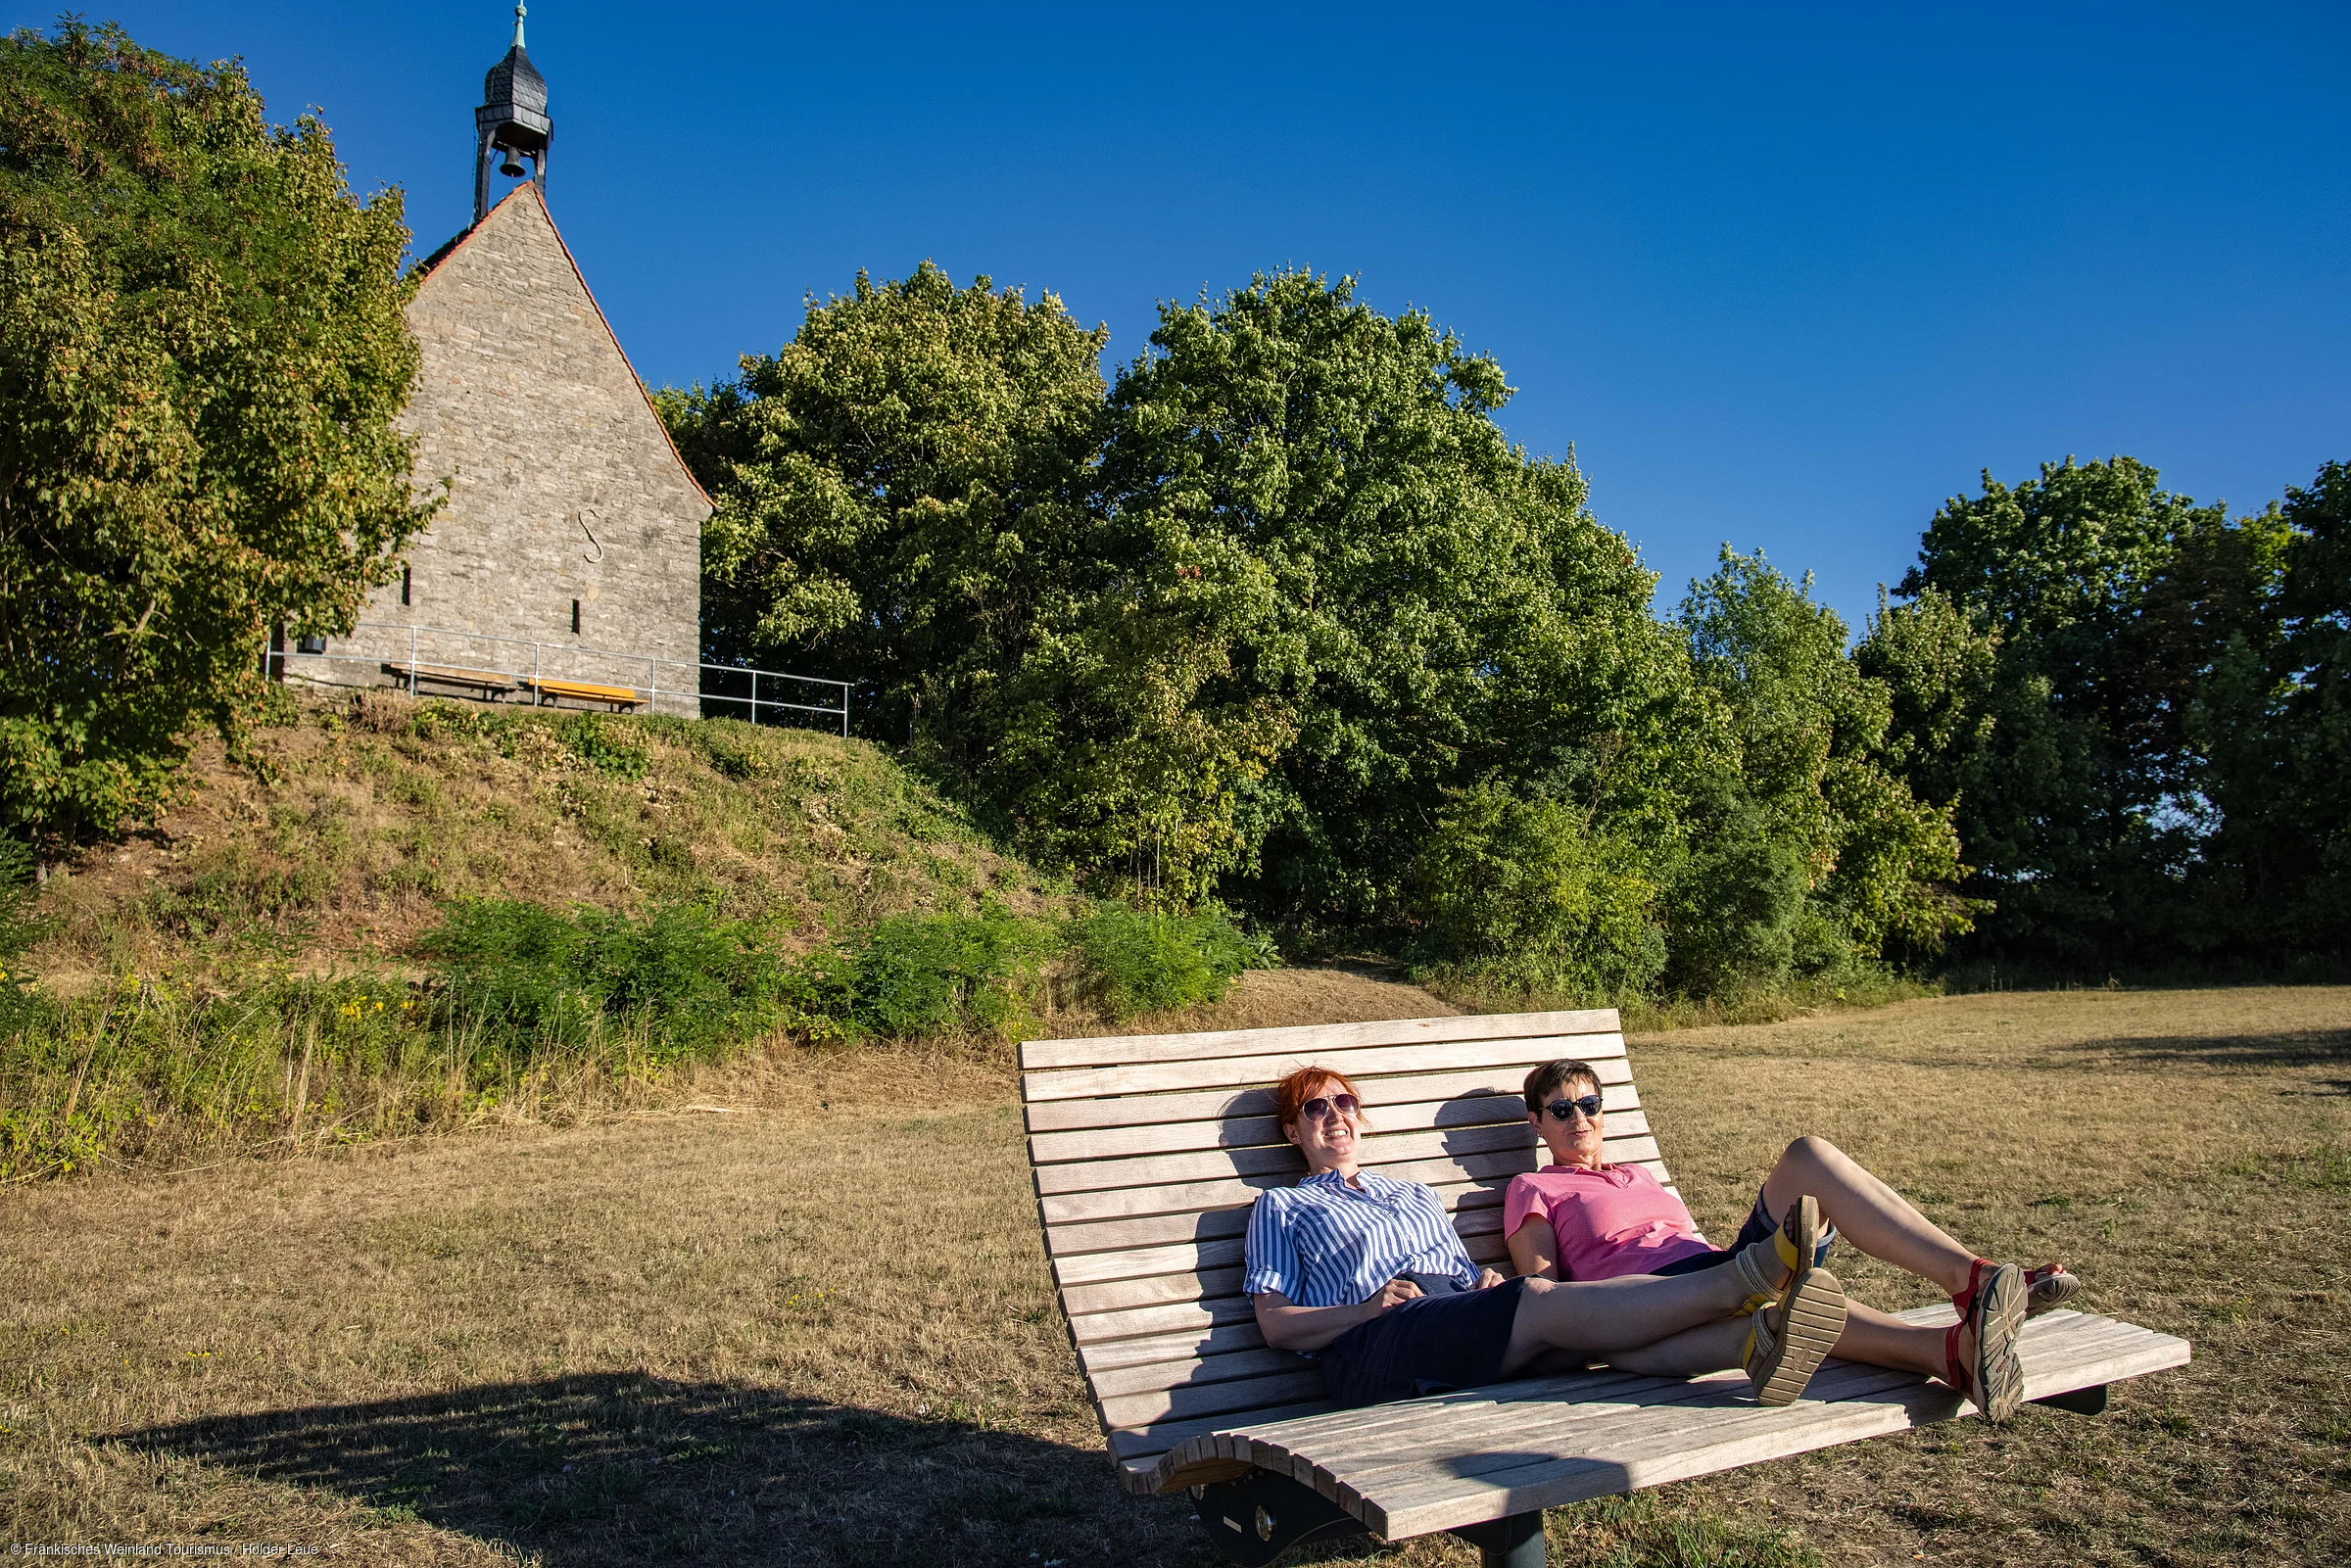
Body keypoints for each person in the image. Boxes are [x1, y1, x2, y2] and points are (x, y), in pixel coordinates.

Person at [1503, 1058, 2083, 1422]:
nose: (1578, 1117)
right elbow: (1547, 1295)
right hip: (1648, 1299)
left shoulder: (1638, 1173)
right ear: (1537, 1122)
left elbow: (1684, 1240)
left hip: (1716, 1268)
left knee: (1809, 1157)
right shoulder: (1534, 1186)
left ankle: (1972, 1282)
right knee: (1788, 1300)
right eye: (1560, 1108)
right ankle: (1947, 1351)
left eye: (1588, 1103)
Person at [1243, 1065, 1851, 1410]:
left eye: (1343, 1103)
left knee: (1594, 1341)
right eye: (1315, 1110)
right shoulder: (1282, 1205)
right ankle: (1743, 1278)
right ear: (1293, 1133)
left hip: (1455, 1317)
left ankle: (1755, 1340)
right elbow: (1276, 1324)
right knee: (1536, 1298)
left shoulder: (1412, 1193)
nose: (1334, 1116)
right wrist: (1365, 1309)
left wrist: (1480, 1280)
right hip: (1372, 1347)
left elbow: (1461, 1274)